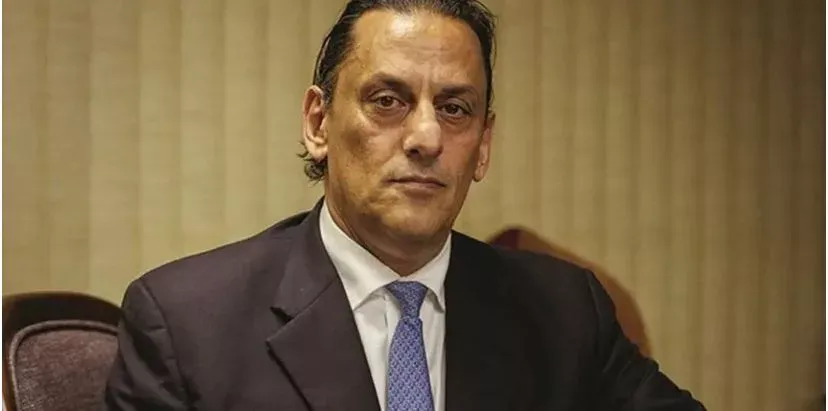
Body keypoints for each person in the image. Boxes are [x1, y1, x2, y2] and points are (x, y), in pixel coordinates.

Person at [104, 1, 705, 410]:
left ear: (483, 146)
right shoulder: (187, 323)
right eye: (387, 100)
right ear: (318, 122)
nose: (426, 138)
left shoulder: (564, 313)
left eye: (454, 108)